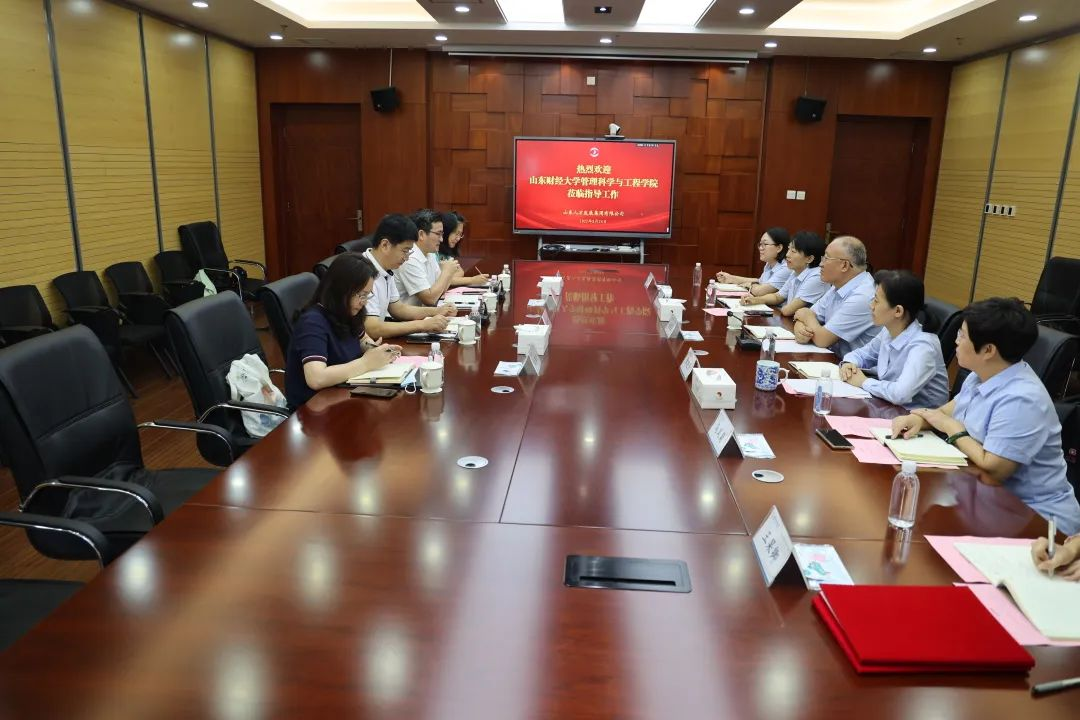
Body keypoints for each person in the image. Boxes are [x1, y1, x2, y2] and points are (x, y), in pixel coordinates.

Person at [891, 297, 1080, 535]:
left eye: (962, 336)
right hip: (985, 499)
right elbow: (948, 411)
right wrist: (921, 420)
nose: (956, 341)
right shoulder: (982, 373)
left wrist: (952, 428)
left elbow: (994, 467)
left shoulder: (1022, 399)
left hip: (1037, 520)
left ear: (988, 350)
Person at [285, 253, 400, 408]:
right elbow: (316, 378)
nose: (364, 302)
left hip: (342, 395)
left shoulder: (347, 310)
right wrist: (366, 363)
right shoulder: (312, 322)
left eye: (367, 295)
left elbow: (362, 339)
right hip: (315, 408)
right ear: (340, 290)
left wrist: (374, 349)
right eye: (361, 295)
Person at [838, 270, 948, 409]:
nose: (871, 306)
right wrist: (848, 364)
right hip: (888, 407)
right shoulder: (889, 330)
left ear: (898, 311)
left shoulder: (923, 346)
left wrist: (863, 382)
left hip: (918, 417)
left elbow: (900, 394)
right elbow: (862, 354)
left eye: (876, 301)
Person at [362, 213, 456, 340]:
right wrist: (422, 325)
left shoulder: (386, 267)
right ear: (385, 245)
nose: (406, 258)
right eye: (405, 251)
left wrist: (437, 311)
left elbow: (398, 309)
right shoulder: (363, 272)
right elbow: (373, 329)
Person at [792, 235, 877, 356]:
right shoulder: (839, 285)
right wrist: (799, 327)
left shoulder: (863, 296)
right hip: (833, 357)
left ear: (844, 265)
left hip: (854, 366)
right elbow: (805, 314)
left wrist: (806, 317)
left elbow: (822, 339)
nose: (820, 264)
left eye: (826, 258)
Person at [742, 230, 827, 316]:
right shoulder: (796, 272)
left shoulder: (816, 277)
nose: (787, 255)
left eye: (793, 251)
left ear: (809, 259)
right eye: (789, 249)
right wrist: (756, 300)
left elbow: (788, 310)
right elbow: (778, 297)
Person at [395, 209, 460, 306]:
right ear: (421, 234)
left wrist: (448, 272)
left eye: (442, 234)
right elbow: (430, 300)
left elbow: (441, 290)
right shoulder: (410, 258)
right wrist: (446, 272)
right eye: (438, 234)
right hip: (405, 315)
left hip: (424, 312)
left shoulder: (430, 253)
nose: (442, 239)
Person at [716, 227, 792, 297]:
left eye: (765, 244)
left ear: (779, 248)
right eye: (760, 244)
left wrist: (750, 285)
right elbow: (760, 281)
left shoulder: (786, 268)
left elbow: (760, 291)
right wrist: (731, 278)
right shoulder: (770, 263)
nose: (760, 248)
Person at [439, 211, 489, 288]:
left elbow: (460, 271)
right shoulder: (433, 252)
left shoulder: (448, 252)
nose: (458, 238)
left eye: (460, 234)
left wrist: (450, 278)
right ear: (445, 231)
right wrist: (472, 280)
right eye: (456, 233)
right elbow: (440, 280)